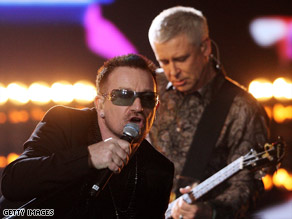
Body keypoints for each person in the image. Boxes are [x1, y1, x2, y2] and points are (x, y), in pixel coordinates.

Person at [0, 54, 174, 218]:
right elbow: (13, 182)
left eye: (148, 98)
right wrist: (88, 157)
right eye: (123, 96)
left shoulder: (159, 170)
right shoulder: (66, 123)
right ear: (100, 105)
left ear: (156, 108)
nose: (138, 106)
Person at [148, 6, 270, 219]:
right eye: (164, 62)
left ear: (205, 48)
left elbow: (247, 185)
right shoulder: (151, 87)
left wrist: (210, 210)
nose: (172, 72)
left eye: (181, 58)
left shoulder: (242, 107)